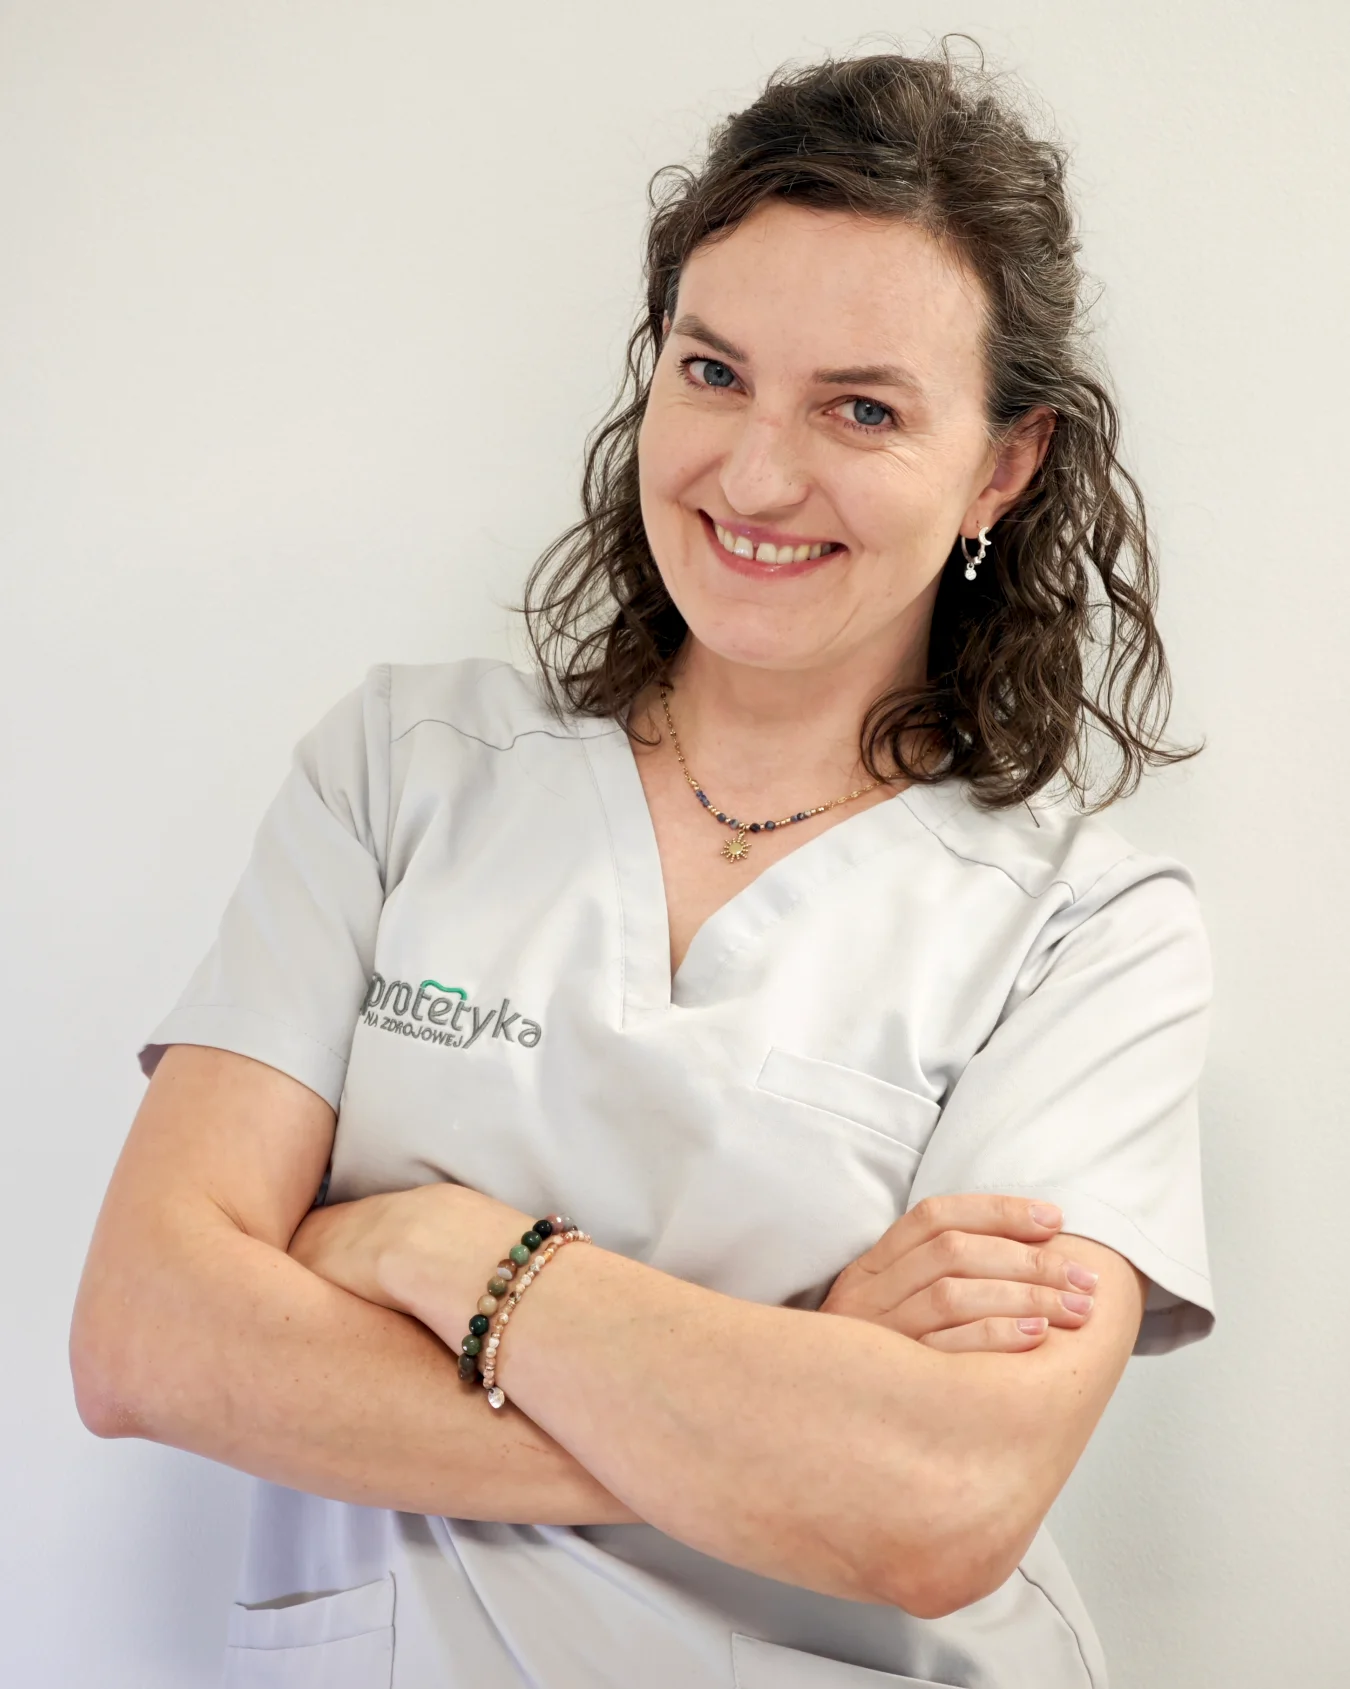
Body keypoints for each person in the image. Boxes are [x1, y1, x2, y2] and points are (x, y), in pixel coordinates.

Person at [69, 43, 1214, 1689]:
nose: (753, 474)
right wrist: (792, 1393)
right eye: (713, 371)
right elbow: (145, 1339)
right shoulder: (404, 770)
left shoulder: (1088, 932)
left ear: (1000, 467)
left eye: (862, 409)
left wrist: (441, 1252)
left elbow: (937, 1502)